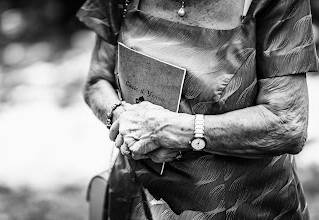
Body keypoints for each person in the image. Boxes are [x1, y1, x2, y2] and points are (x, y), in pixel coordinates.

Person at [77, 0, 319, 219]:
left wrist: (174, 131)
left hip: (242, 208)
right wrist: (125, 121)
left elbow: (287, 124)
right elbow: (97, 80)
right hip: (137, 200)